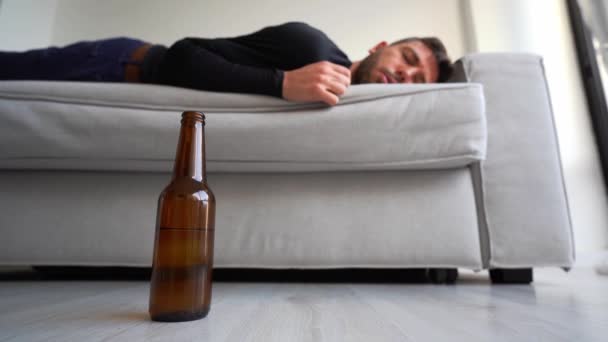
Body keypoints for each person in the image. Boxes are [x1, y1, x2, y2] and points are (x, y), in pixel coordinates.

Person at [0, 22, 452, 106]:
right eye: (408, 59)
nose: (406, 75)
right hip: (118, 63)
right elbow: (182, 56)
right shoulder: (314, 48)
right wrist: (281, 83)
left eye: (419, 80)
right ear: (380, 45)